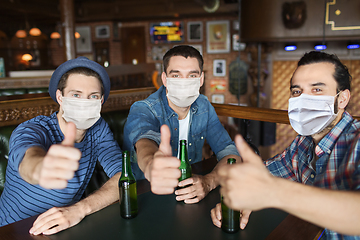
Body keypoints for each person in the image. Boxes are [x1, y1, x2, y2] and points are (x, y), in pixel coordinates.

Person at [210, 51, 360, 239]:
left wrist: (275, 192)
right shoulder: (302, 143)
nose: (304, 100)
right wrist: (235, 198)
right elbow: (263, 176)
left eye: (317, 90)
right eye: (297, 91)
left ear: (343, 98)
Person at [0, 57, 123, 235]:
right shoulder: (33, 129)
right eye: (76, 95)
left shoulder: (98, 128)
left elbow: (123, 175)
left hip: (63, 229)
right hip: (12, 231)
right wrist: (40, 169)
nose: (84, 102)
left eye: (93, 96)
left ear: (101, 101)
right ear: (60, 97)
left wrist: (80, 209)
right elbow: (28, 157)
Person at [123, 45, 240, 204]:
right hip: (148, 196)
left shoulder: (204, 106)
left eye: (192, 75)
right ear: (164, 79)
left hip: (191, 195)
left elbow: (230, 154)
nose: (184, 82)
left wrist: (209, 182)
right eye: (176, 75)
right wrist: (151, 164)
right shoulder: (143, 109)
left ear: (201, 79)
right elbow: (144, 140)